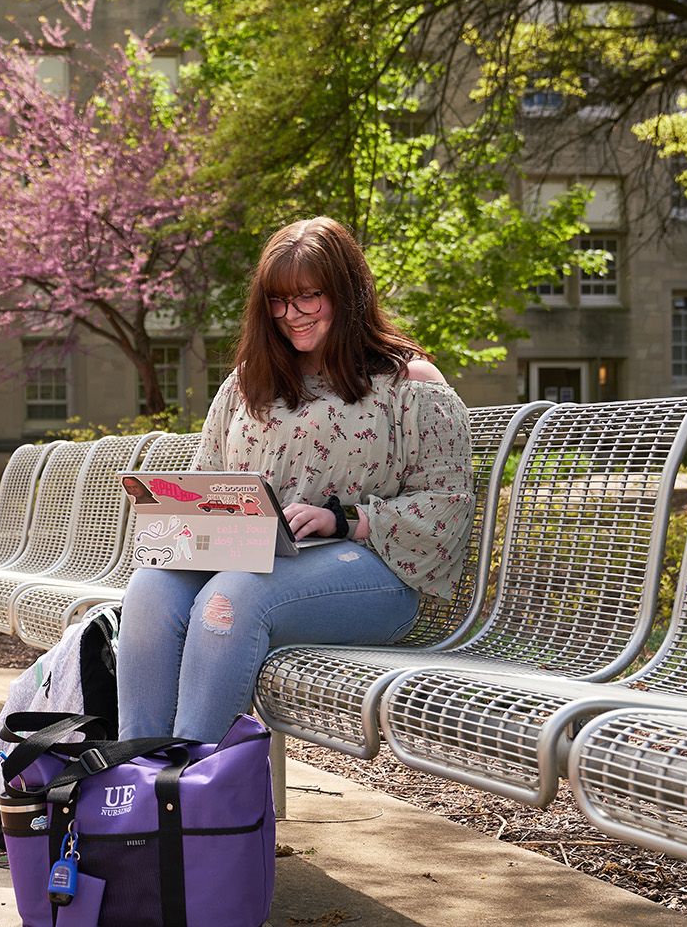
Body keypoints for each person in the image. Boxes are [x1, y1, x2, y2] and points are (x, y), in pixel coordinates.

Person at [116, 217, 473, 743]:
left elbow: (447, 506)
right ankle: (138, 772)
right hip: (256, 559)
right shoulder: (248, 383)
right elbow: (206, 482)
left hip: (374, 574)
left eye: (309, 297)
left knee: (233, 596)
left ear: (347, 293)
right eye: (279, 302)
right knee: (150, 587)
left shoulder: (409, 384)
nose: (292, 315)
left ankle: (193, 789)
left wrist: (343, 518)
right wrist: (185, 518)